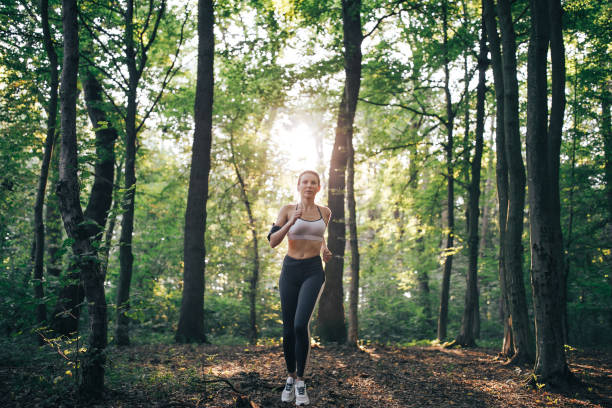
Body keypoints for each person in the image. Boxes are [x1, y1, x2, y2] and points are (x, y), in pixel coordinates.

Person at [267, 170, 332, 406]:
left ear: (318, 188)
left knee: (300, 324)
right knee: (288, 327)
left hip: (314, 271)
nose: (309, 185)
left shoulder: (325, 212)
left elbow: (320, 234)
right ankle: (290, 377)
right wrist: (292, 222)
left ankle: (301, 381)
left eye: (313, 182)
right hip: (290, 270)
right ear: (298, 185)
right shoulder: (287, 210)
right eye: (305, 182)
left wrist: (325, 249)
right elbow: (273, 242)